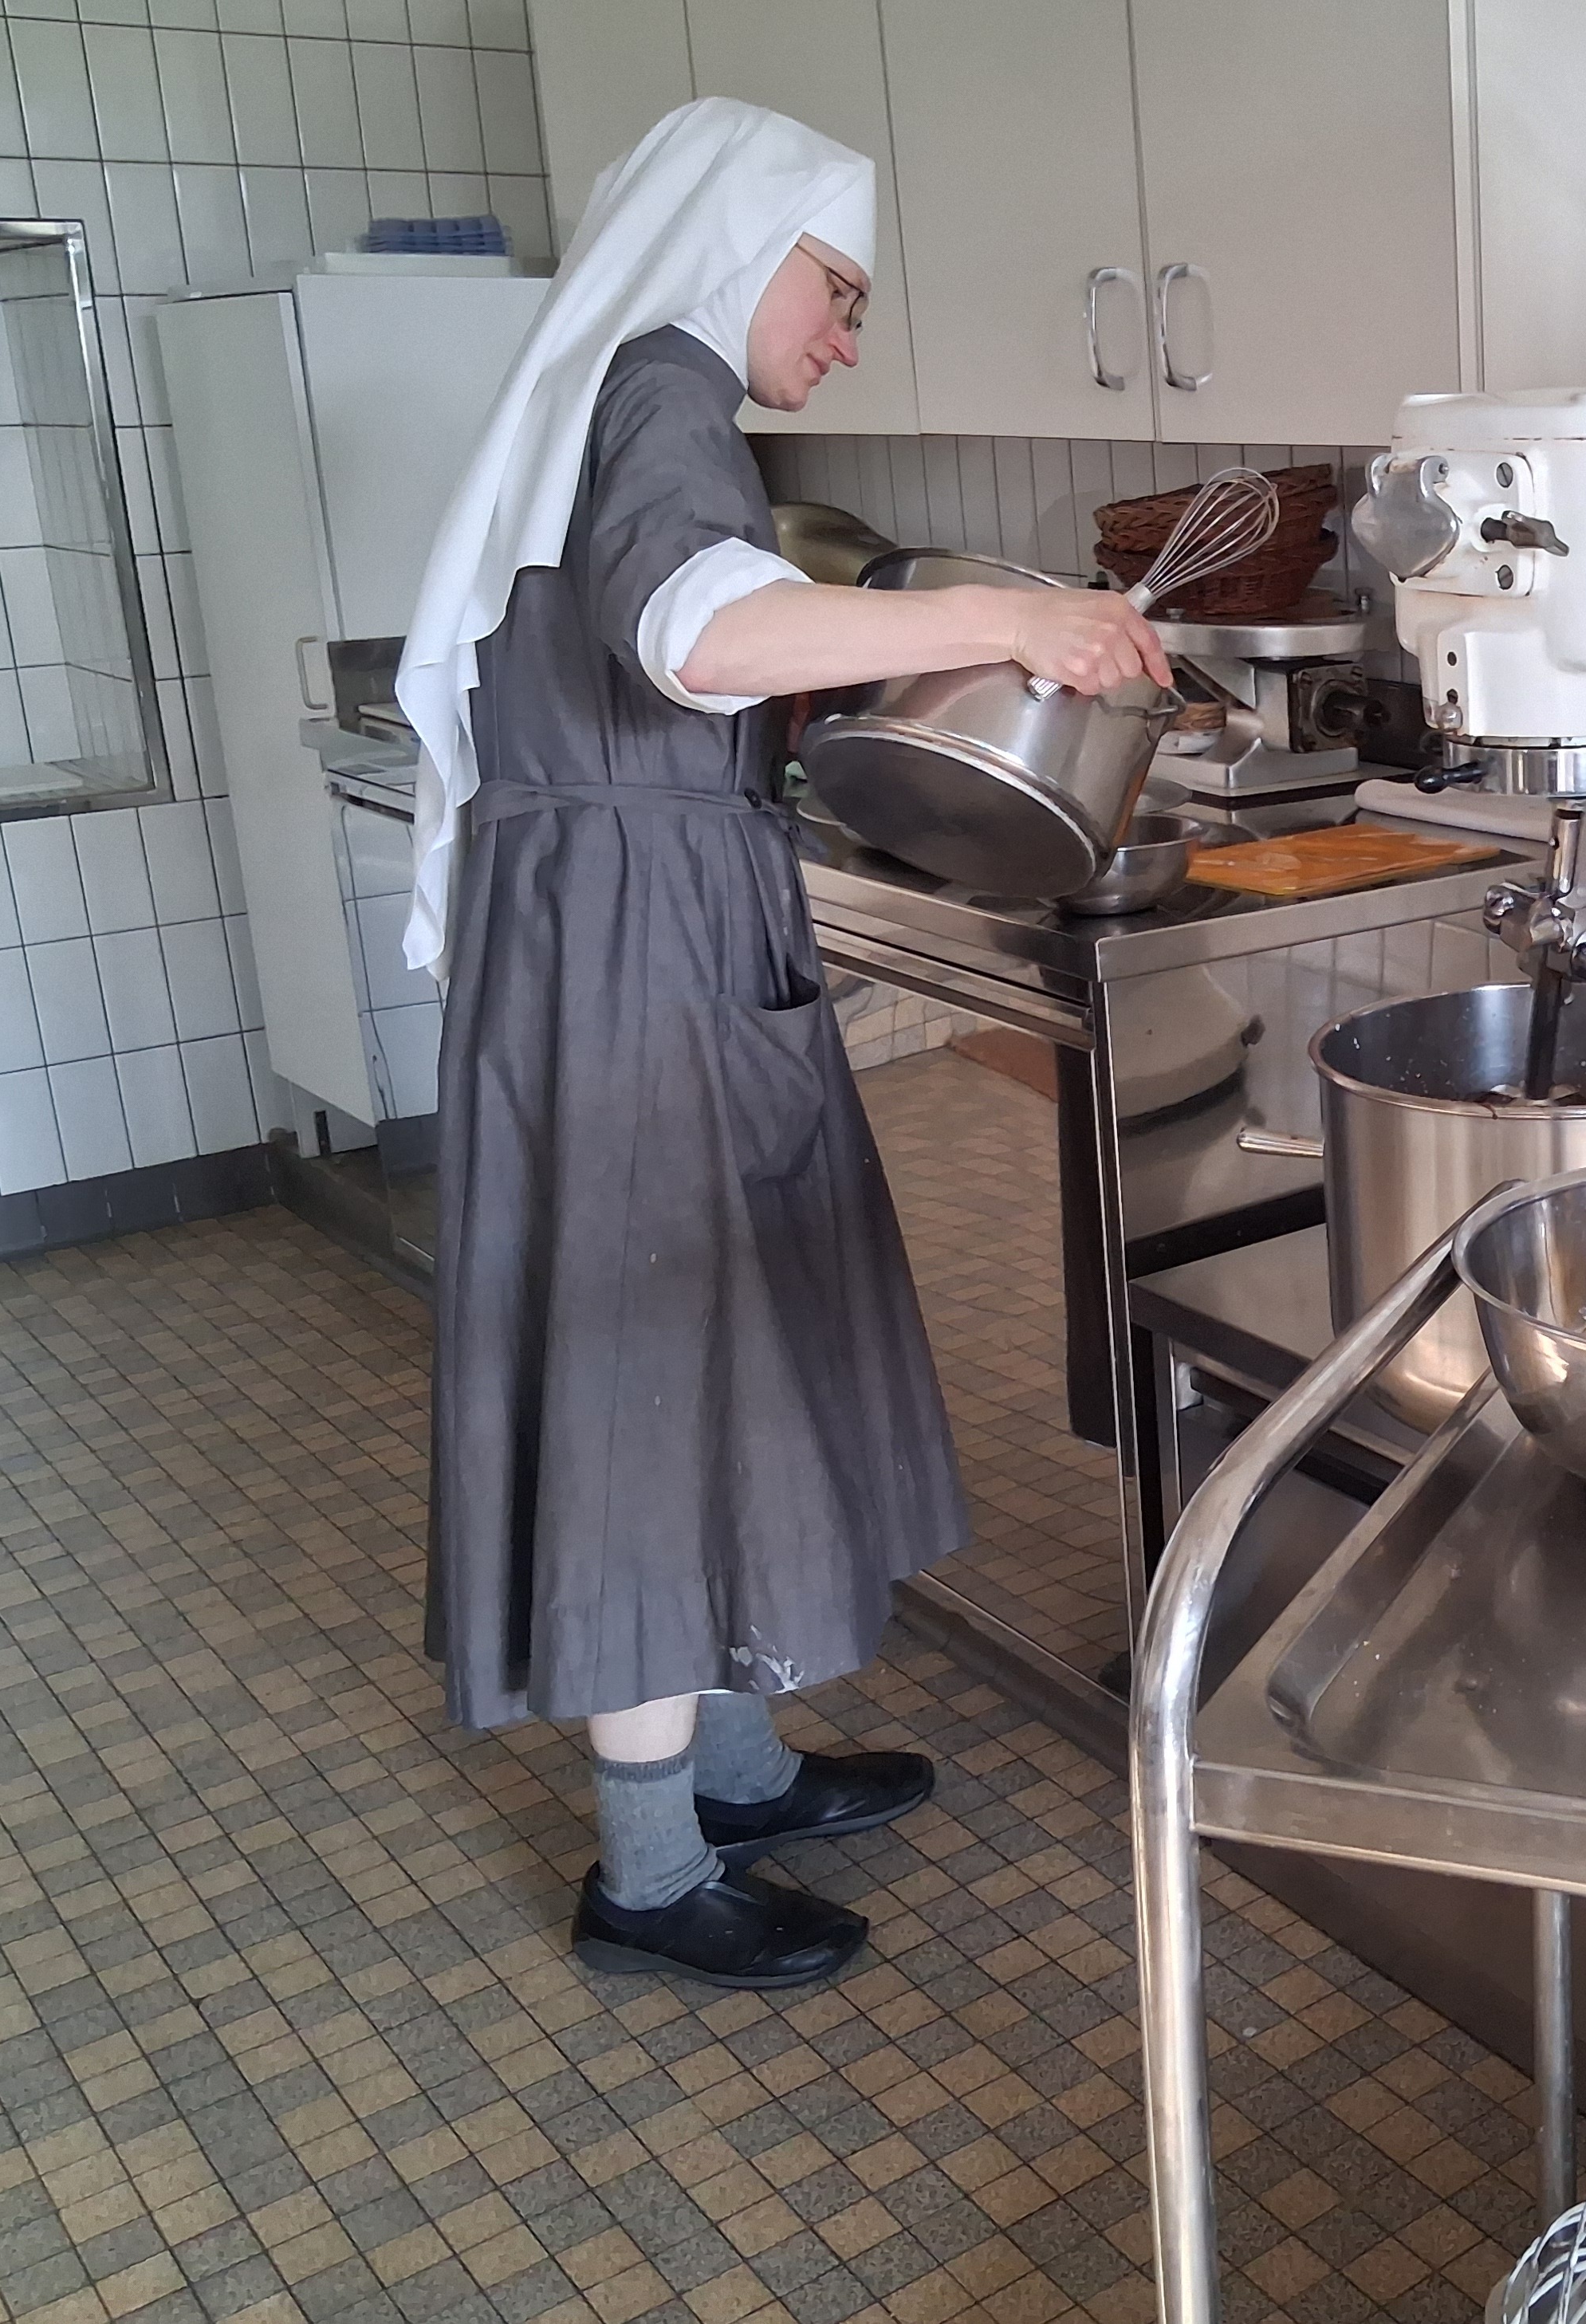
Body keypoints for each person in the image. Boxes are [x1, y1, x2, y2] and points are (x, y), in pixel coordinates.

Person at [394, 98, 1168, 1990]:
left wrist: (905, 638)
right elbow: (696, 638)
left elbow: (706, 636)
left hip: (631, 924)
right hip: (628, 952)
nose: (846, 331)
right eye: (836, 286)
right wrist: (1016, 622)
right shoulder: (664, 383)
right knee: (650, 1385)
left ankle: (730, 1772)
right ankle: (651, 1878)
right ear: (737, 245)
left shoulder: (626, 392)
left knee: (710, 1353)